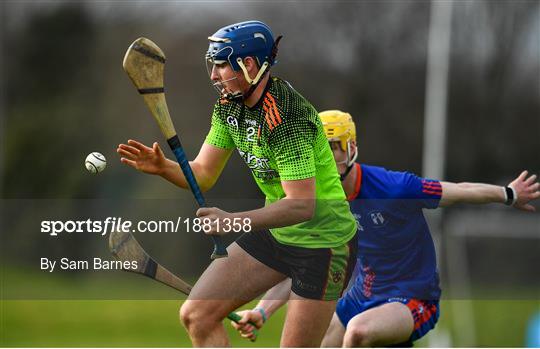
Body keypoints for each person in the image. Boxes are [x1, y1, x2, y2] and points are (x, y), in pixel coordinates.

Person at [117, 23, 358, 347]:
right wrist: (164, 167)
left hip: (324, 245)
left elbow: (302, 204)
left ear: (251, 66)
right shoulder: (229, 109)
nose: (214, 74)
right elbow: (202, 173)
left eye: (221, 64)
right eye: (212, 64)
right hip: (277, 234)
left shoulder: (286, 118)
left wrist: (232, 220)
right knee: (197, 315)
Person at [231, 110, 540, 347]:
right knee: (322, 341)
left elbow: (458, 190)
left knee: (358, 332)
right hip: (362, 296)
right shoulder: (317, 205)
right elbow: (300, 267)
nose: (326, 157)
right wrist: (262, 312)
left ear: (351, 147)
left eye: (333, 147)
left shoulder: (393, 188)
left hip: (413, 299)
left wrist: (507, 194)